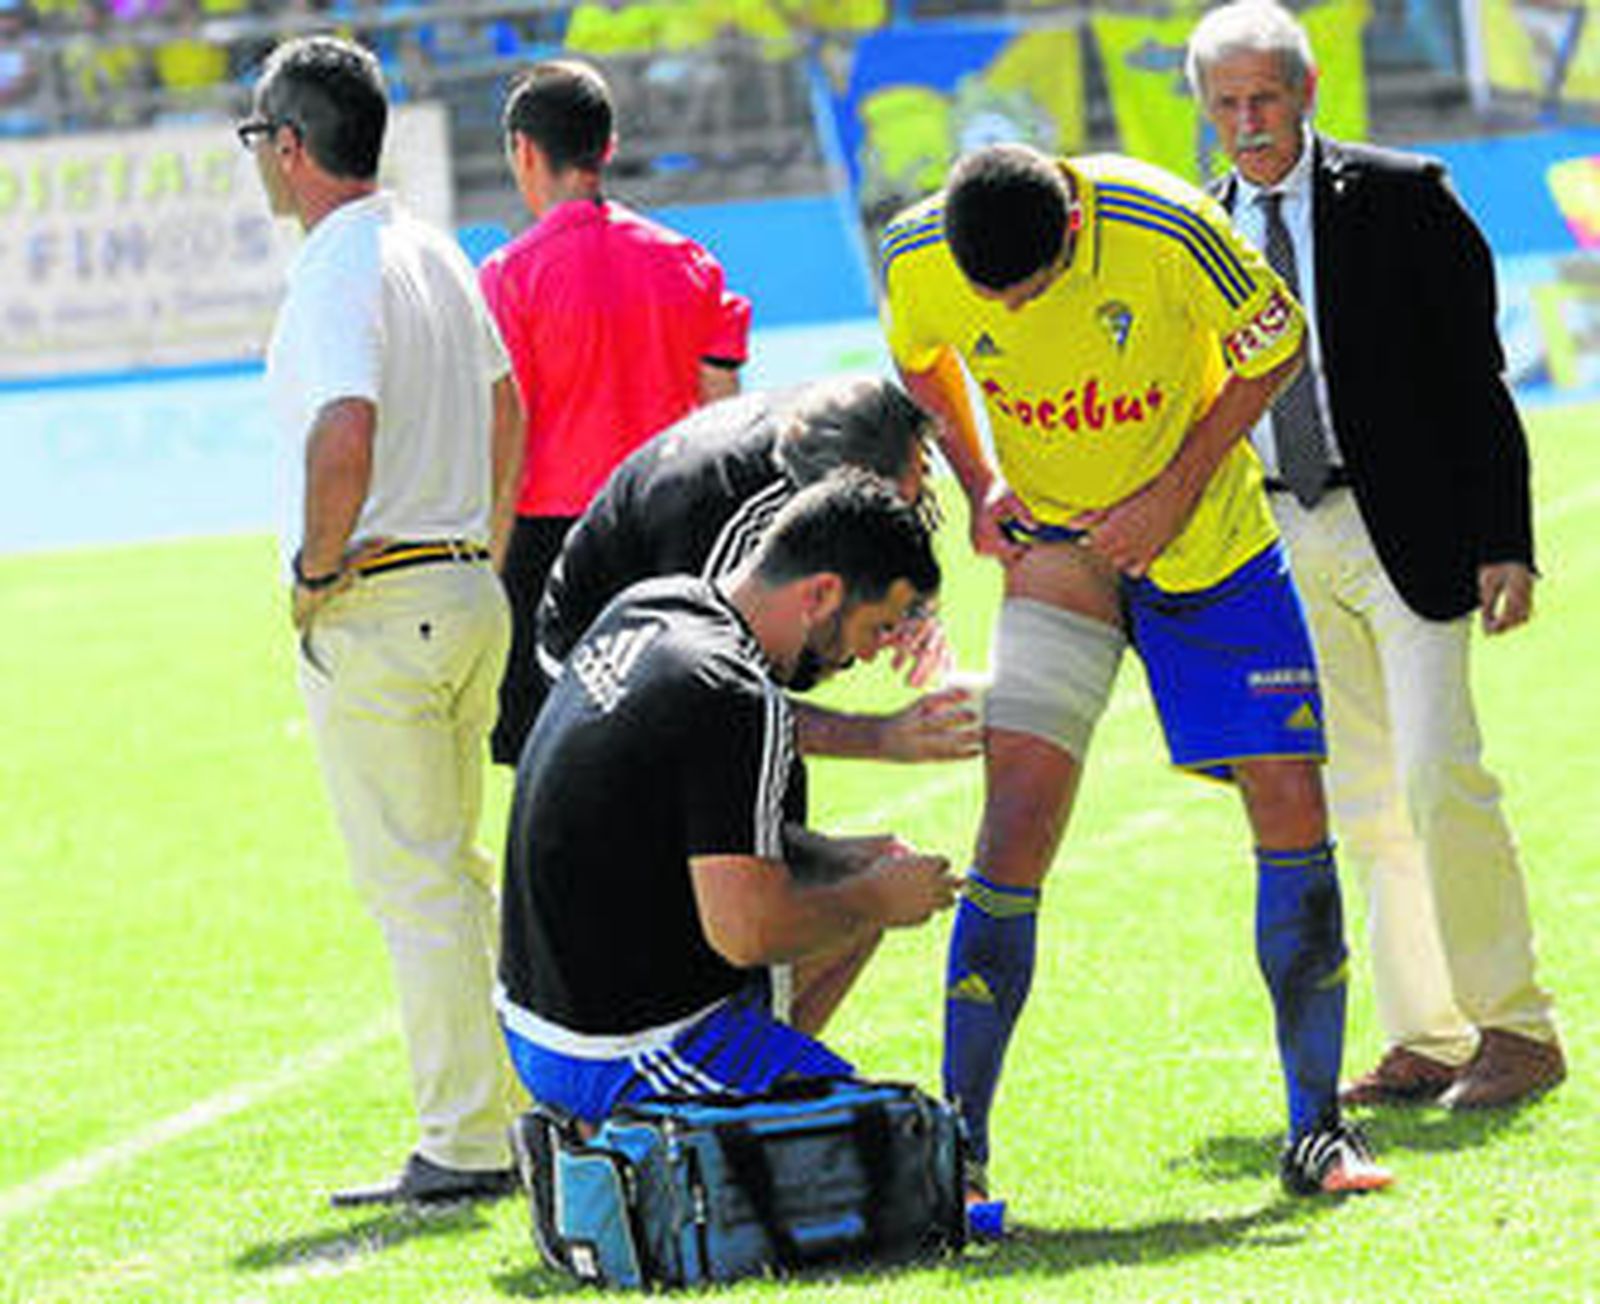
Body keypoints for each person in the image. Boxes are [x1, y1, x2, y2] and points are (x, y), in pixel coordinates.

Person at [880, 141, 1392, 1209]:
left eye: (1029, 295)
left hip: (1208, 546)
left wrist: (1173, 488)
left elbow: (1276, 343)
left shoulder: (1164, 226)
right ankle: (957, 1147)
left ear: (1071, 231)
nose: (1008, 323)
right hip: (1059, 551)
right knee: (1013, 820)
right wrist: (980, 477)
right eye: (993, 305)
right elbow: (920, 361)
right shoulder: (917, 251)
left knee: (1291, 802)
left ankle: (1315, 1130)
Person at [1187, 0, 1563, 1111]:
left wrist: (1505, 540)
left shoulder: (1405, 197)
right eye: (1226, 103)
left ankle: (1517, 1027)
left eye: (1264, 97)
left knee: (1437, 770)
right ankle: (1430, 1036)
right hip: (1275, 536)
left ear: (1305, 93)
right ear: (1204, 110)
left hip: (1407, 528)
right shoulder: (1195, 232)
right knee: (1359, 798)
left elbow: (1474, 380)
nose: (1247, 122)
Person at [247, 34, 523, 1207]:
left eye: (261, 139)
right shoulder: (433, 248)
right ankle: (517, 1112)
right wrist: (486, 543)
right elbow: (509, 403)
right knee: (455, 875)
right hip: (462, 581)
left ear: (293, 147)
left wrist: (315, 571)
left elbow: (342, 430)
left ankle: (467, 1141)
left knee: (415, 884)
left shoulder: (333, 269)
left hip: (385, 599)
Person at [496, 472, 960, 1123]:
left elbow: (675, 830)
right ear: (822, 593)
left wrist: (852, 864)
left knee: (849, 896)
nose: (867, 655)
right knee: (899, 1150)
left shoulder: (659, 605)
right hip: (620, 1048)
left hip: (537, 1021)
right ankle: (705, 1118)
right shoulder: (737, 695)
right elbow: (747, 932)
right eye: (875, 627)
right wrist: (881, 895)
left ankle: (743, 1102)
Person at [482, 57, 752, 766]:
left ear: (524, 150)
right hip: (669, 535)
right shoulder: (690, 262)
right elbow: (727, 424)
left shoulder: (511, 275)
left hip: (552, 547)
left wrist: (491, 566)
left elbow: (505, 438)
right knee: (672, 746)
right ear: (607, 147)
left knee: (548, 758)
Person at [534, 374, 979, 763]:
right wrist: (879, 737)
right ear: (831, 497)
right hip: (594, 671)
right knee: (733, 768)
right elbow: (713, 695)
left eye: (923, 473)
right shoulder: (718, 515)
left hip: (666, 617)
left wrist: (910, 608)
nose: (918, 503)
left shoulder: (852, 421)